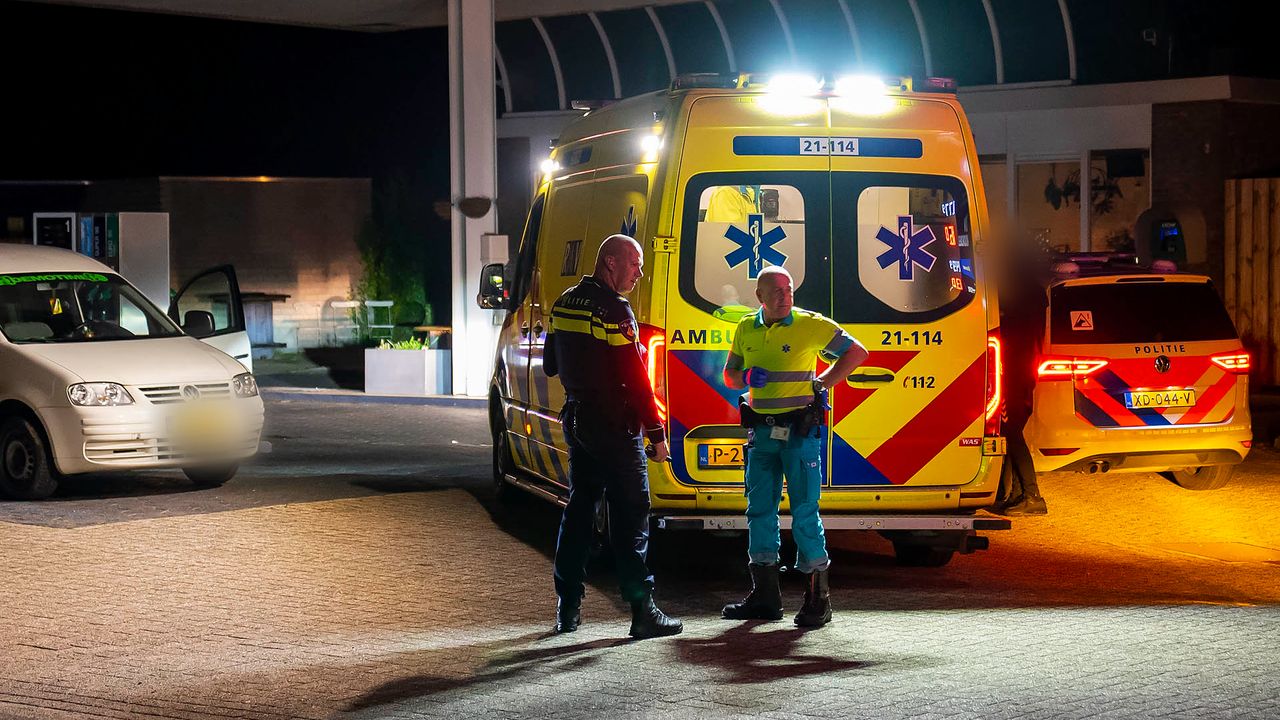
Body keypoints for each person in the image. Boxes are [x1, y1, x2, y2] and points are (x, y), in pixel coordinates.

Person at [543, 234, 683, 640]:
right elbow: (636, 380)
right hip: (615, 427)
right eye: (635, 263)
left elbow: (552, 364)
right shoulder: (615, 310)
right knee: (631, 516)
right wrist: (656, 433)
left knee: (579, 512)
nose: (640, 272)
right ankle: (643, 611)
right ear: (610, 263)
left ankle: (567, 608)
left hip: (578, 420)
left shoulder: (565, 301)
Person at [720, 266, 868, 627]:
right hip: (762, 435)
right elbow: (729, 375)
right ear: (760, 297)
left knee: (804, 512)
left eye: (788, 289)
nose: (785, 296)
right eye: (776, 291)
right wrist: (746, 378)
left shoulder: (809, 324)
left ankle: (819, 599)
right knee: (759, 512)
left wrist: (823, 383)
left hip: (799, 434)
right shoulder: (746, 328)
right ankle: (766, 598)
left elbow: (857, 352)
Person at [995, 242, 1050, 516]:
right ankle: (1018, 493)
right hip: (1024, 371)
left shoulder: (1018, 296)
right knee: (1011, 431)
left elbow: (1006, 328)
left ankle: (1032, 495)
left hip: (1014, 373)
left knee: (1011, 432)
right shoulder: (1036, 294)